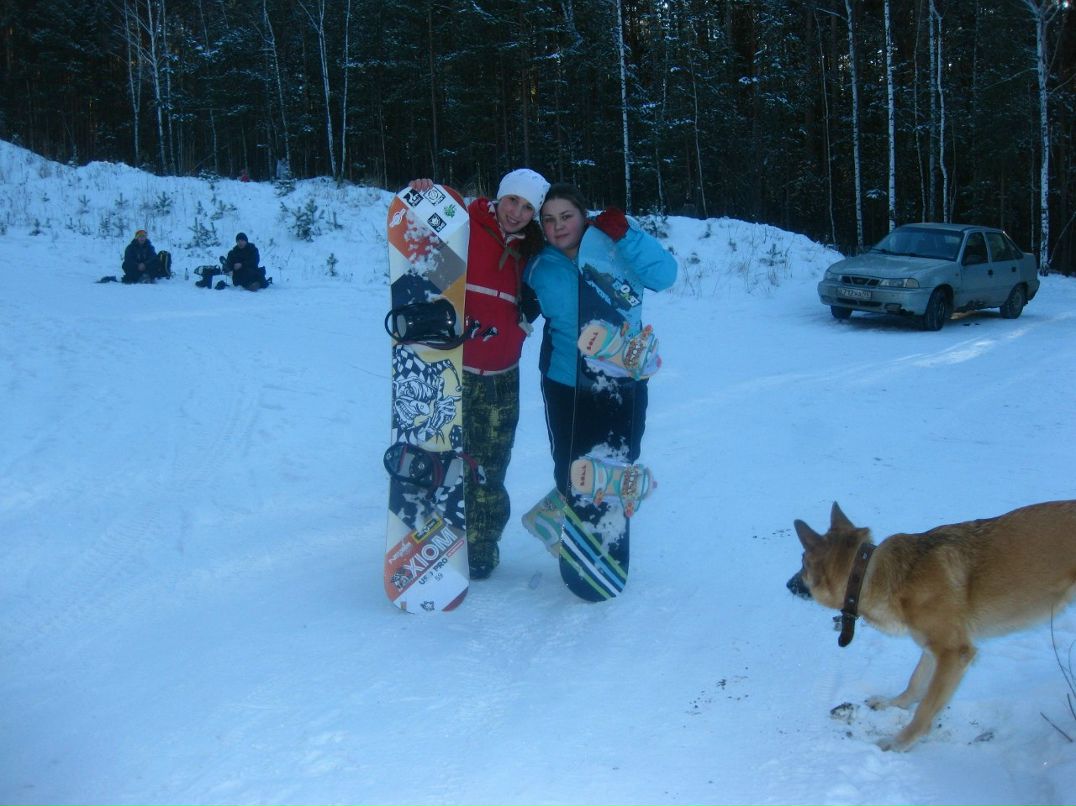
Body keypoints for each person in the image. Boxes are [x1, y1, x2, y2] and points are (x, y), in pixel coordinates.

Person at [407, 169, 550, 579]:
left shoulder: (534, 250)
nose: (517, 213)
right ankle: (431, 535)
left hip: (502, 374)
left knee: (489, 465)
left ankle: (481, 544)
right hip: (453, 369)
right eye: (513, 201)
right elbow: (417, 239)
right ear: (499, 196)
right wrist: (424, 196)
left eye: (527, 208)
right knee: (439, 456)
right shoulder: (466, 224)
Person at [521, 183, 677, 549]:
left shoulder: (616, 247)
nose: (558, 226)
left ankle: (564, 519)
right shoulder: (538, 264)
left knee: (620, 459)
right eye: (549, 220)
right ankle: (566, 525)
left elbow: (665, 276)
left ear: (583, 215)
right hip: (565, 380)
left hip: (624, 378)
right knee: (570, 463)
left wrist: (628, 235)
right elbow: (516, 303)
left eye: (566, 216)